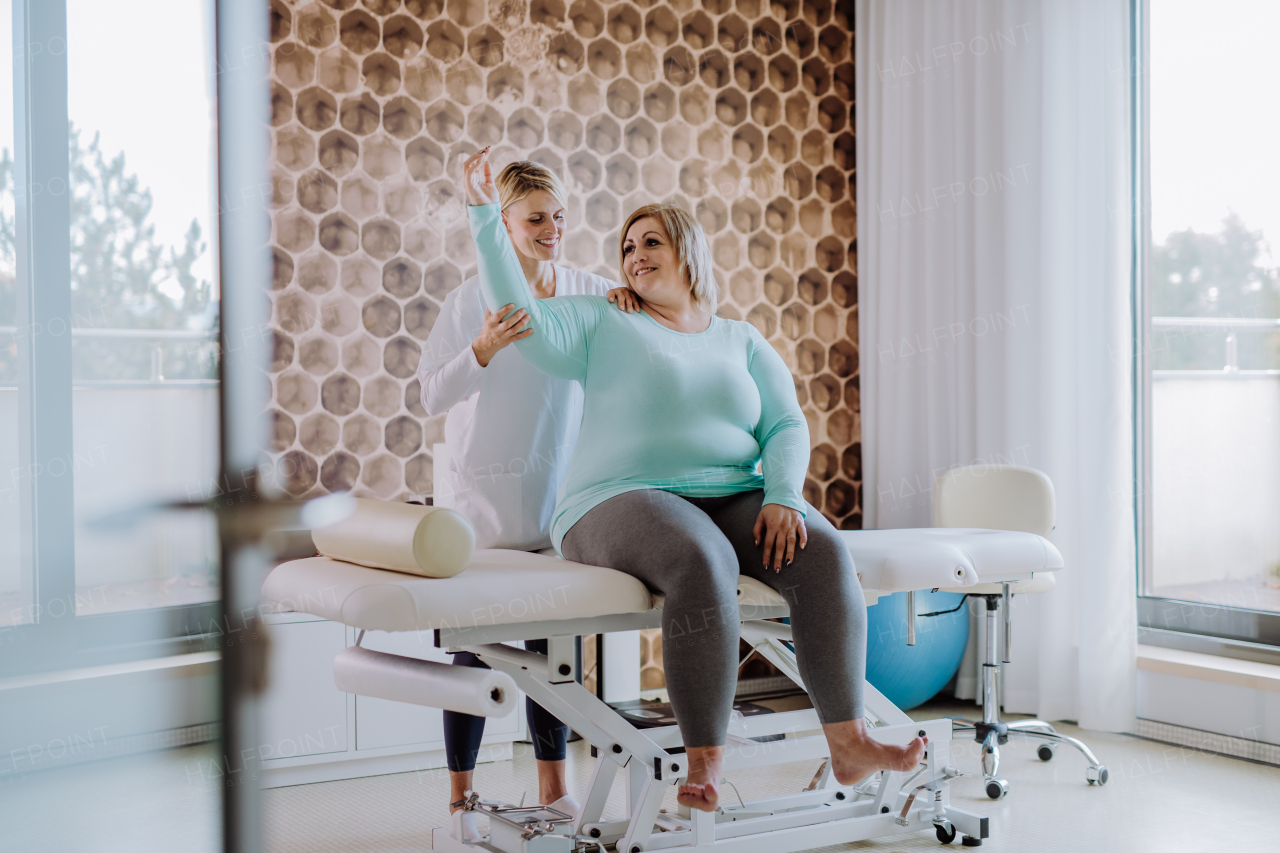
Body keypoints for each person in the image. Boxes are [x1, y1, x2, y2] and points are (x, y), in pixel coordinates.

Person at [462, 147, 926, 813]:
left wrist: (782, 495)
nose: (634, 255)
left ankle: (849, 742)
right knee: (699, 558)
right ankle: (704, 761)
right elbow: (522, 319)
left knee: (822, 551)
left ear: (688, 252)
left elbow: (786, 424)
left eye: (650, 241)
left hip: (731, 490)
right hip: (615, 497)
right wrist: (483, 213)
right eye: (626, 247)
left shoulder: (739, 338)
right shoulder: (602, 318)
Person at [417, 160, 638, 840]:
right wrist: (481, 347)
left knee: (554, 646)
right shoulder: (469, 301)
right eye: (535, 217)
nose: (552, 229)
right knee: (475, 650)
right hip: (477, 505)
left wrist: (633, 305)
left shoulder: (591, 293)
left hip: (558, 505)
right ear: (503, 225)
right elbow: (430, 395)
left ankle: (555, 790)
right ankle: (461, 801)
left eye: (559, 215)